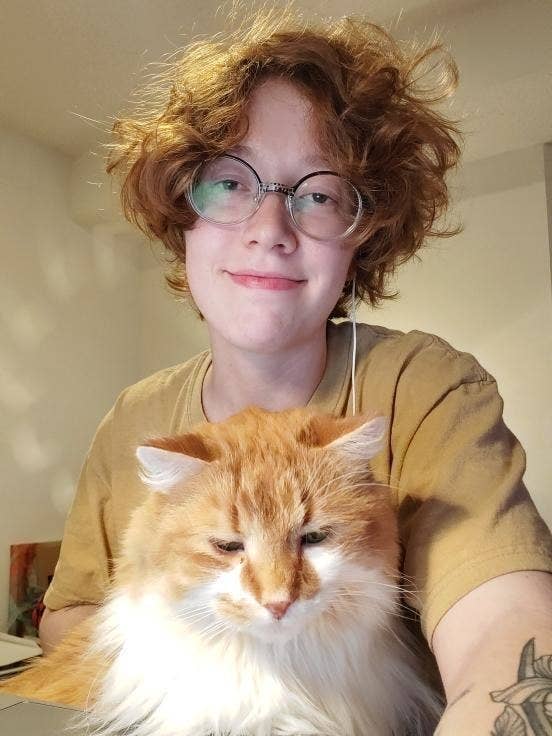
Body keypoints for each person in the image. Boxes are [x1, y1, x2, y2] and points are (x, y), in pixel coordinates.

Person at [39, 8, 552, 734]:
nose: (270, 231)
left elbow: (508, 634)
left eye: (317, 194)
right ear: (180, 216)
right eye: (229, 183)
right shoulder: (136, 417)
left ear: (359, 237)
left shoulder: (422, 387)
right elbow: (68, 616)